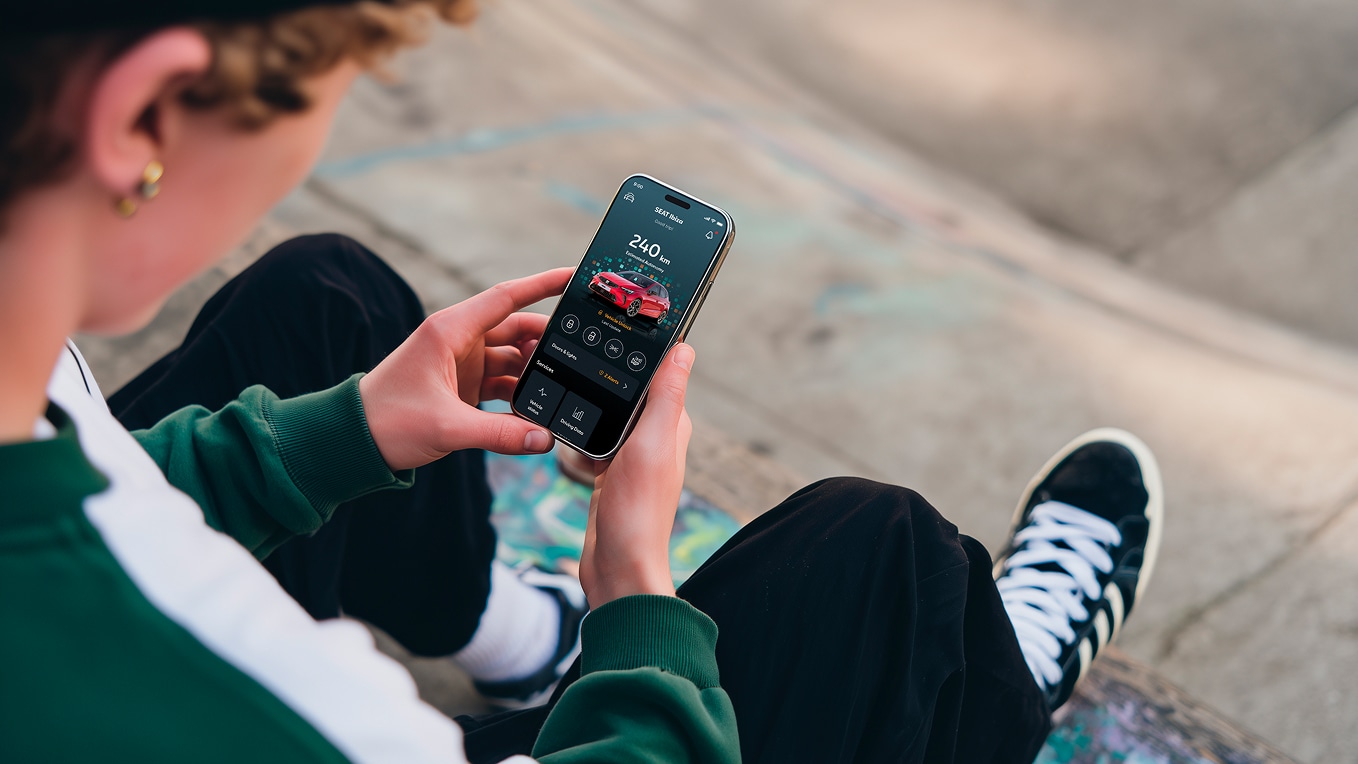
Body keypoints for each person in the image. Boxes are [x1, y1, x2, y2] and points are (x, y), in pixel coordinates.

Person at [0, 1, 1165, 762]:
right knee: (886, 568)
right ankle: (986, 686)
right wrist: (633, 603)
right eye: (324, 96)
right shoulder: (280, 706)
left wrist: (335, 437)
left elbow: (99, 476)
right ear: (143, 118)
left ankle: (511, 628)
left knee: (324, 305)